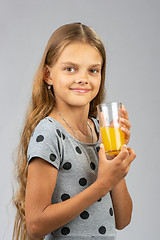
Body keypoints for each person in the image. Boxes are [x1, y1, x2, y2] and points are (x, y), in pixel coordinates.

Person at [12, 22, 136, 240]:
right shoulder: (49, 133)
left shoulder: (101, 130)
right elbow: (35, 225)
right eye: (70, 68)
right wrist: (102, 185)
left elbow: (123, 219)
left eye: (93, 70)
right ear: (48, 75)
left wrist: (116, 160)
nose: (83, 78)